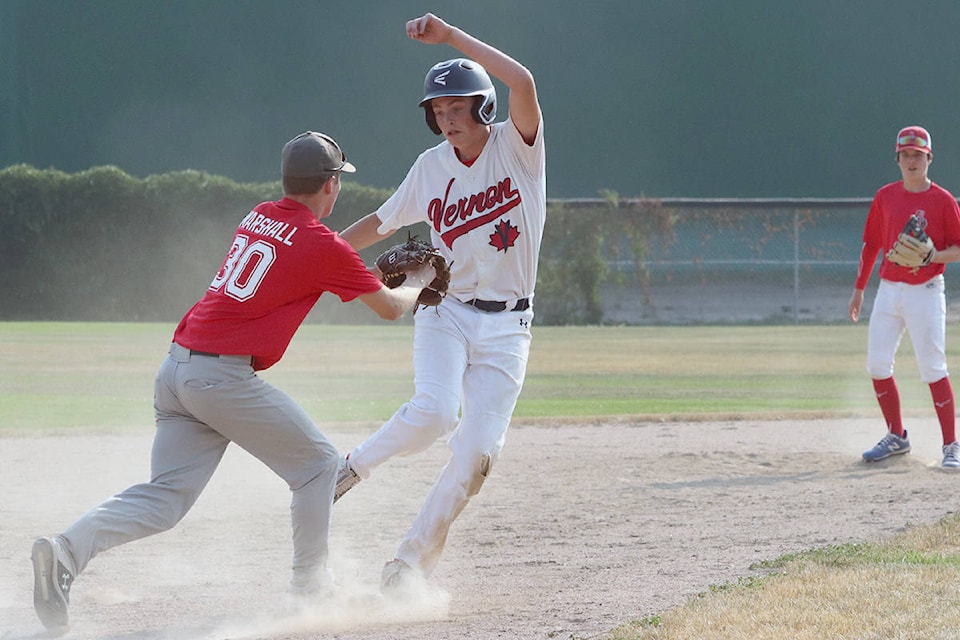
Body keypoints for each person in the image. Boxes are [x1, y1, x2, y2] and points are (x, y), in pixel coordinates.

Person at [30, 131, 437, 631]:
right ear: (331, 185)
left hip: (177, 370)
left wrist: (372, 270)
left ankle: (66, 552)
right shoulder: (318, 244)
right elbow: (390, 308)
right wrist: (418, 282)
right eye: (337, 179)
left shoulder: (260, 214)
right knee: (317, 468)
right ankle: (310, 592)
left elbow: (316, 259)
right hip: (218, 380)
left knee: (165, 499)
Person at [332, 12, 545, 592]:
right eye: (438, 111)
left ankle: (406, 565)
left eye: (457, 108)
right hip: (445, 308)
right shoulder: (430, 168)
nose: (447, 119)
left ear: (483, 108)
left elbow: (522, 82)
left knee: (476, 456)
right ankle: (346, 470)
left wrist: (450, 37)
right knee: (433, 413)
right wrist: (317, 251)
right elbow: (380, 222)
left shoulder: (517, 151)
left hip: (509, 326)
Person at [849, 125, 960, 469]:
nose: (912, 160)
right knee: (877, 365)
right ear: (897, 159)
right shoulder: (885, 196)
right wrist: (859, 290)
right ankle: (897, 435)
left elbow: (957, 248)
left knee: (933, 368)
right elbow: (871, 245)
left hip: (926, 291)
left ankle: (951, 445)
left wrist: (932, 256)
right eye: (906, 155)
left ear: (929, 158)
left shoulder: (943, 200)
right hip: (889, 290)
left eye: (918, 155)